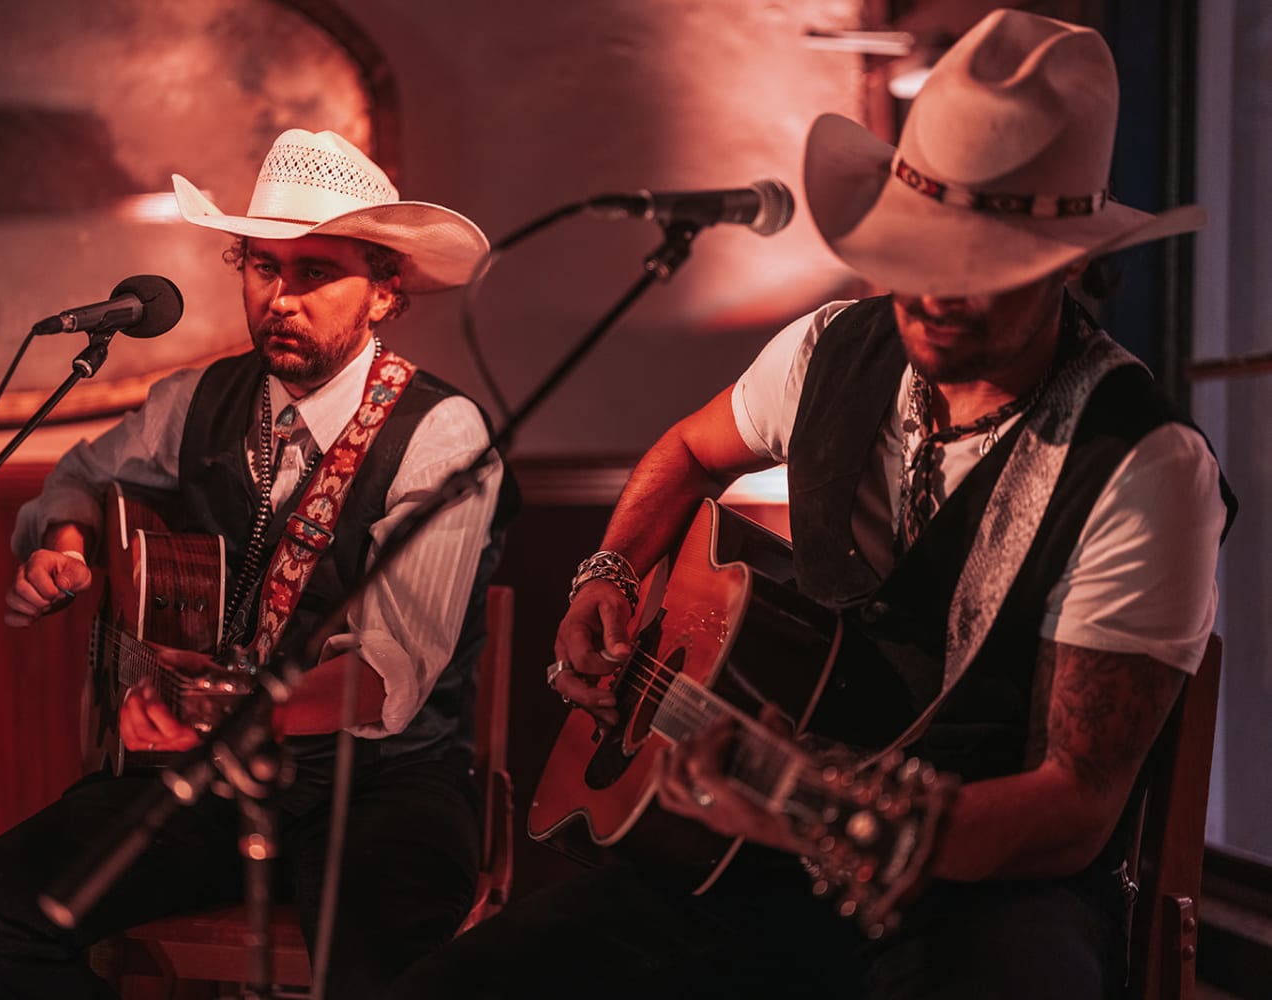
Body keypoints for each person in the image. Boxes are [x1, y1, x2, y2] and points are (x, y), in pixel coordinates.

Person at [390, 10, 1234, 1000]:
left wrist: (828, 812)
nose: (934, 287)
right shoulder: (831, 347)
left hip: (989, 884)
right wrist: (609, 575)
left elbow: (1076, 808)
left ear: (1070, 262)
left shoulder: (1144, 464)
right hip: (747, 864)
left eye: (981, 259)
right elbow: (685, 451)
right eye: (917, 243)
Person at [0, 128, 516, 999]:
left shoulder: (441, 436)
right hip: (203, 778)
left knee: (384, 963)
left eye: (316, 273)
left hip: (377, 787)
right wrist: (64, 543)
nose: (282, 299)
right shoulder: (194, 401)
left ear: (386, 292)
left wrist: (215, 714)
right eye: (262, 268)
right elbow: (84, 475)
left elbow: (383, 678)